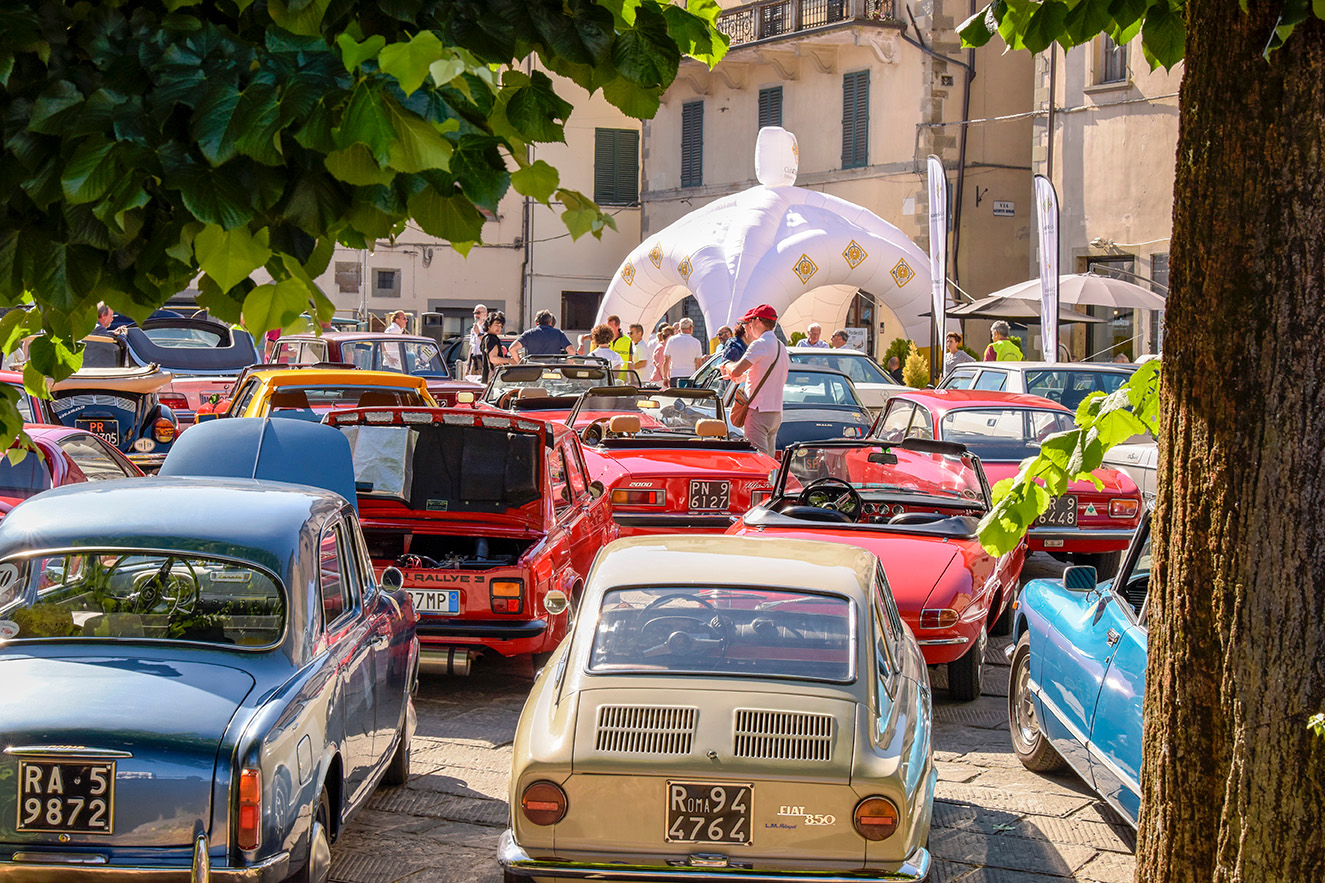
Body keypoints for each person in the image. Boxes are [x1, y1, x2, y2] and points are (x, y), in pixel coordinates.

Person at [721, 304, 790, 458]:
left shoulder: (760, 344)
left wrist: (727, 365)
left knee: (758, 461)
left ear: (757, 321)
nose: (746, 328)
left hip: (759, 410)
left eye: (748, 323)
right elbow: (771, 375)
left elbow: (736, 369)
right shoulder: (780, 346)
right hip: (775, 412)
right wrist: (745, 377)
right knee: (769, 461)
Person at [664, 317, 704, 383]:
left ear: (680, 328)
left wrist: (665, 377)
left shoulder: (671, 340)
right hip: (690, 375)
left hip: (675, 375)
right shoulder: (696, 342)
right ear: (691, 328)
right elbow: (698, 363)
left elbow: (666, 361)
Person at [481, 311, 514, 383]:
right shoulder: (492, 339)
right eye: (496, 325)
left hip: (487, 377)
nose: (499, 328)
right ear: (489, 325)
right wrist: (510, 361)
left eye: (501, 326)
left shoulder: (485, 338)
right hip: (493, 378)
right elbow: (493, 359)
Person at [467, 304, 488, 375]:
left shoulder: (487, 327)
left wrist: (478, 333)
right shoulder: (474, 328)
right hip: (474, 360)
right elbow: (471, 347)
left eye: (478, 313)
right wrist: (468, 365)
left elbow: (487, 342)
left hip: (482, 359)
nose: (476, 316)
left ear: (485, 314)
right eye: (474, 313)